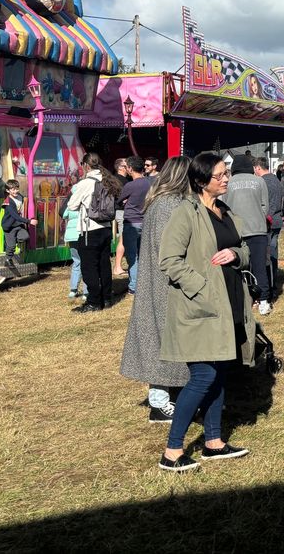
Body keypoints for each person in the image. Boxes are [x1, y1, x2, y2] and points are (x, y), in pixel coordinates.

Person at [157, 152, 255, 472]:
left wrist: (235, 254)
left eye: (226, 173)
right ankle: (172, 452)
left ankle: (213, 443)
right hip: (200, 308)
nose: (226, 179)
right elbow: (169, 261)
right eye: (219, 175)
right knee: (204, 375)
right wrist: (201, 287)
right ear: (201, 181)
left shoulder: (225, 211)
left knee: (220, 373)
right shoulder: (186, 213)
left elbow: (245, 250)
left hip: (228, 306)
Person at [120, 156, 193, 423]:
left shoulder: (162, 201)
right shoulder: (168, 205)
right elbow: (171, 249)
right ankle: (159, 403)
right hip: (165, 282)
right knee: (159, 340)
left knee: (162, 339)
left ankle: (167, 397)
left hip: (160, 280)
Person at [66, 152, 122, 312]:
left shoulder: (86, 183)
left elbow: (71, 205)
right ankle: (106, 298)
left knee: (89, 267)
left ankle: (94, 302)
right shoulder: (108, 180)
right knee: (104, 264)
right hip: (105, 228)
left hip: (89, 228)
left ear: (86, 165)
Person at [224, 153, 272, 315]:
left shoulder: (228, 183)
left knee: (239, 267)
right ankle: (264, 300)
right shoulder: (259, 181)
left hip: (235, 231)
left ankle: (244, 299)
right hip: (258, 229)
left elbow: (223, 207)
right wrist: (258, 216)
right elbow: (265, 205)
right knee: (260, 266)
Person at [116, 156, 152, 294]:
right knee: (143, 255)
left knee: (132, 256)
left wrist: (126, 202)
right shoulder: (150, 184)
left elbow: (119, 200)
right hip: (145, 221)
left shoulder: (130, 185)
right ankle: (143, 284)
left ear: (130, 169)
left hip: (131, 222)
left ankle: (134, 287)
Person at [253, 157, 284, 301]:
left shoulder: (263, 182)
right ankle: (274, 282)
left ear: (258, 168)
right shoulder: (277, 180)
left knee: (266, 257)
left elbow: (265, 203)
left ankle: (269, 287)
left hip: (268, 221)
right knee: (273, 254)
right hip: (277, 220)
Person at [0, 179, 35, 267]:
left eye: (16, 189)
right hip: (9, 226)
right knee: (11, 246)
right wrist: (29, 221)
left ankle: (11, 241)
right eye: (13, 189)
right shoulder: (8, 202)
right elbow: (15, 216)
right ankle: (8, 260)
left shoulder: (20, 197)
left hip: (18, 224)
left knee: (25, 236)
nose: (15, 191)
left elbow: (25, 202)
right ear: (8, 191)